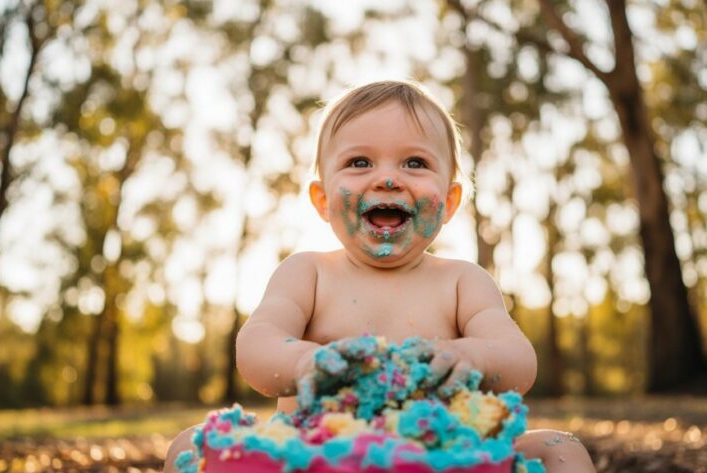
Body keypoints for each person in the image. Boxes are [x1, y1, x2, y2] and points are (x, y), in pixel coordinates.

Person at [164, 80, 595, 472]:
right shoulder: (308, 273)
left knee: (562, 447)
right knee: (190, 446)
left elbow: (519, 362)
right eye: (358, 161)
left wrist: (474, 357)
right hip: (310, 452)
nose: (387, 178)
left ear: (448, 201)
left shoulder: (463, 281)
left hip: (441, 454)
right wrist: (303, 362)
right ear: (323, 199)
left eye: (414, 162)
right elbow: (256, 346)